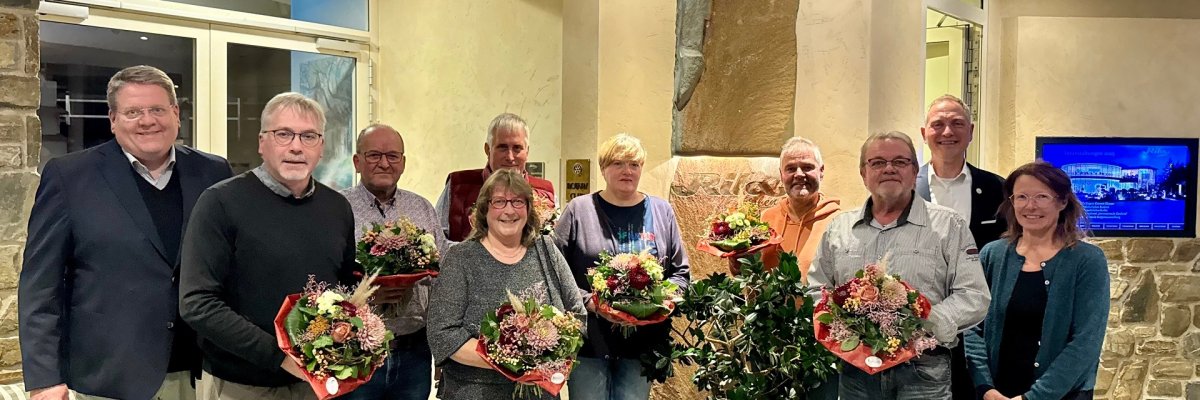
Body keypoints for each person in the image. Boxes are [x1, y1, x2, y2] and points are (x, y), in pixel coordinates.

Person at [19, 65, 232, 400]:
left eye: (157, 109)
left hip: (200, 374)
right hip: (109, 377)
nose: (147, 121)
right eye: (133, 112)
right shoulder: (69, 177)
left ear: (175, 114)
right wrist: (45, 378)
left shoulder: (213, 171)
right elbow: (40, 286)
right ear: (113, 120)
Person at [179, 92, 357, 400]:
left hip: (316, 385)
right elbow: (198, 303)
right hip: (240, 385)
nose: (296, 146)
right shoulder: (220, 202)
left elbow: (343, 290)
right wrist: (282, 358)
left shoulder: (338, 207)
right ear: (262, 142)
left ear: (321, 147)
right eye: (283, 134)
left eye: (309, 136)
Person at [808, 131, 990, 399]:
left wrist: (924, 321)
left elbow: (974, 295)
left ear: (915, 170)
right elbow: (816, 289)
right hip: (855, 375)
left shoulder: (949, 225)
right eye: (878, 162)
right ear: (863, 172)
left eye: (900, 162)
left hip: (923, 371)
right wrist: (843, 328)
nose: (889, 169)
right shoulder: (839, 229)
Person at [427, 169, 585, 399]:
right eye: (499, 202)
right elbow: (442, 334)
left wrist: (552, 353)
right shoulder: (461, 258)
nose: (509, 210)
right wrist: (513, 361)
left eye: (517, 201)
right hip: (473, 391)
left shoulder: (546, 250)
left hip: (539, 393)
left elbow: (577, 316)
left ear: (529, 208)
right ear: (484, 209)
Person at [554, 134, 691, 400]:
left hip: (642, 346)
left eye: (634, 164)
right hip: (588, 342)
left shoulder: (662, 212)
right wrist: (591, 303)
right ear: (604, 168)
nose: (627, 171)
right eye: (618, 163)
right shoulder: (578, 211)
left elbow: (681, 274)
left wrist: (657, 303)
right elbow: (555, 273)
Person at [965, 162, 1109, 400]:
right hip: (996, 394)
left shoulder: (1087, 261)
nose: (1030, 206)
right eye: (1021, 196)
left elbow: (1086, 341)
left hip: (1062, 395)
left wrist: (1033, 398)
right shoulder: (992, 255)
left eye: (1042, 196)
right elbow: (971, 326)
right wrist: (985, 387)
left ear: (1062, 202)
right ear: (1012, 202)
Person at [340, 124, 448, 400]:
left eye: (392, 156)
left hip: (415, 352)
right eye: (374, 155)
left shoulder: (422, 208)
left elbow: (442, 277)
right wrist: (361, 297)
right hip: (356, 353)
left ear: (403, 163)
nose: (384, 163)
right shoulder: (337, 208)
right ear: (357, 161)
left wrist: (442, 351)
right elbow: (323, 279)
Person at [915, 94, 1008, 400]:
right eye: (938, 124)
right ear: (924, 133)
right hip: (921, 327)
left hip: (981, 324)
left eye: (957, 124)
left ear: (971, 130)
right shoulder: (907, 190)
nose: (947, 132)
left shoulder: (997, 188)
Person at [757, 137, 840, 398]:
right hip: (771, 336)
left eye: (807, 167)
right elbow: (752, 274)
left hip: (821, 338)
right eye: (791, 168)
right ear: (781, 174)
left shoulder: (840, 221)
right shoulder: (765, 219)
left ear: (821, 171)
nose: (799, 175)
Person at [436, 113, 555, 242]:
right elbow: (437, 240)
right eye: (502, 147)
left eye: (517, 148)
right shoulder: (458, 187)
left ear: (527, 152)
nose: (510, 157)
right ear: (487, 149)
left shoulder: (545, 193)